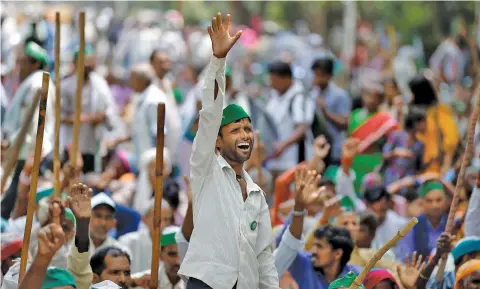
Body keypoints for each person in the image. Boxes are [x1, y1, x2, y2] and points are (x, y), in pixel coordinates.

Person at [178, 13, 279, 289]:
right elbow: (210, 113)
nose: (245, 134)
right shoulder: (206, 168)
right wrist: (218, 61)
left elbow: (264, 257)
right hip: (206, 283)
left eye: (248, 129)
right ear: (217, 142)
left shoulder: (256, 193)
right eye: (235, 130)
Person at [2, 41, 56, 219]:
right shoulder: (31, 82)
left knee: (18, 196)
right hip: (24, 149)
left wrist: (11, 143)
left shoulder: (37, 84)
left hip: (31, 151)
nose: (20, 66)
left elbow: (33, 126)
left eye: (24, 62)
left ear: (35, 64)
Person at [60, 46, 120, 173]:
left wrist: (103, 117)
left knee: (89, 181)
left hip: (93, 143)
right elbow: (60, 116)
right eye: (84, 61)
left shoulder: (100, 84)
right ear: (75, 63)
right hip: (72, 144)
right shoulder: (66, 86)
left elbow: (110, 109)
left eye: (90, 61)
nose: (88, 65)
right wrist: (85, 118)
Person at [265, 60, 312, 176]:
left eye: (274, 81)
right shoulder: (274, 96)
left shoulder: (299, 97)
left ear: (286, 79)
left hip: (293, 162)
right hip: (273, 161)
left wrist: (283, 145)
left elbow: (302, 128)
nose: (271, 84)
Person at [408, 75, 459, 174]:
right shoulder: (418, 113)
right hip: (422, 169)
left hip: (437, 168)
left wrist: (444, 163)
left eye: (412, 93)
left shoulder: (440, 111)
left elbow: (451, 140)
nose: (411, 97)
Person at [311, 57, 351, 164]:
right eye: (316, 74)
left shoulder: (340, 95)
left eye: (321, 75)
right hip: (316, 150)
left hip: (334, 151)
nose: (318, 79)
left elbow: (345, 124)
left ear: (330, 76)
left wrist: (325, 111)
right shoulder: (313, 93)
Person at [119, 199, 173, 273]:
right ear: (144, 219)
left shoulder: (172, 240)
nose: (163, 224)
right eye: (158, 219)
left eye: (166, 219)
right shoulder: (128, 241)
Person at [398, 181, 448, 259]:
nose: (435, 205)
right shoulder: (410, 227)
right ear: (421, 202)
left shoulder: (453, 224)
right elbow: (404, 258)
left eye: (438, 200)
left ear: (446, 201)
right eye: (429, 201)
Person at [150, 49, 182, 162]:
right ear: (152, 64)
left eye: (167, 61)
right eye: (161, 62)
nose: (165, 65)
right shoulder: (148, 85)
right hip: (157, 148)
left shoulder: (168, 83)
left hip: (172, 145)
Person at [363, 185, 407, 259]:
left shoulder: (399, 224)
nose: (380, 205)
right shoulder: (360, 224)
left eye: (384, 201)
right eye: (375, 201)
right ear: (367, 205)